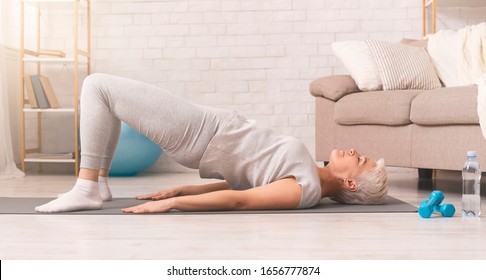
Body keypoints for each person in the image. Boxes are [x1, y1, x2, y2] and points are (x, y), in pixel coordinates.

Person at [35, 73, 388, 214]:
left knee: (97, 86)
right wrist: (184, 190)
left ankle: (86, 187)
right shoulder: (307, 174)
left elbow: (241, 200)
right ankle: (98, 185)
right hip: (206, 127)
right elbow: (250, 181)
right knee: (108, 99)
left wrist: (174, 207)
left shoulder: (304, 191)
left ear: (350, 182)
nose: (356, 151)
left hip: (201, 134)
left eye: (361, 160)